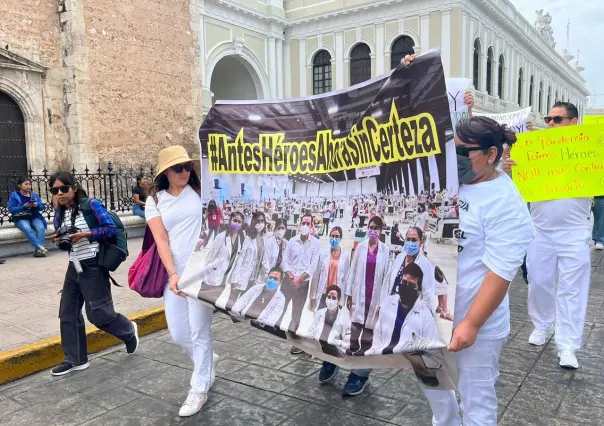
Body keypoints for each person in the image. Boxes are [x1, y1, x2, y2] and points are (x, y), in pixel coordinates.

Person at [422, 116, 533, 425]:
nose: (455, 159)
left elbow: (500, 273)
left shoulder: (505, 202)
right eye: (451, 150)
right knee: (435, 389)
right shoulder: (451, 182)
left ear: (492, 154)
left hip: (477, 324)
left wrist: (471, 324)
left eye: (464, 152)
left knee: (477, 401)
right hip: (432, 316)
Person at [504, 101, 592, 369]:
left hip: (575, 232)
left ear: (573, 122)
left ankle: (568, 345)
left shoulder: (589, 150)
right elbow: (514, 184)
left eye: (557, 119)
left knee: (572, 290)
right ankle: (541, 324)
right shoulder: (533, 150)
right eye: (549, 119)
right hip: (540, 231)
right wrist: (510, 168)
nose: (551, 123)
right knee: (539, 282)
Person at [145, 146, 217, 417]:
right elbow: (161, 239)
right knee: (178, 332)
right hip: (174, 274)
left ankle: (199, 388)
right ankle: (208, 362)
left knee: (200, 331)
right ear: (165, 172)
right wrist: (173, 273)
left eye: (187, 166)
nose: (184, 171)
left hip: (202, 273)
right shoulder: (155, 200)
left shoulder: (201, 193)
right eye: (178, 168)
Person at [49, 171, 139, 376]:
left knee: (98, 314)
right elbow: (64, 242)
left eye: (64, 188)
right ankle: (75, 359)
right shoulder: (59, 212)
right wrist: (59, 240)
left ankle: (128, 330)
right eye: (55, 190)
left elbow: (109, 229)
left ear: (74, 187)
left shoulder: (91, 205)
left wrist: (87, 234)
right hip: (74, 266)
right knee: (67, 312)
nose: (60, 193)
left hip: (93, 265)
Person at [341, 216, 391, 396]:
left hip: (375, 298)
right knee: (354, 332)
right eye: (371, 227)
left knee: (369, 336)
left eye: (377, 228)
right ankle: (352, 363)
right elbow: (352, 272)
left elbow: (386, 279)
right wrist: (348, 295)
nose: (373, 230)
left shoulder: (386, 251)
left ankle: (360, 374)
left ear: (381, 231)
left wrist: (383, 302)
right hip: (359, 295)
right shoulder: (360, 248)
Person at [368, 263, 440, 356]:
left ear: (419, 289)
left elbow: (432, 353)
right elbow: (377, 335)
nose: (406, 286)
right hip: (381, 361)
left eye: (411, 285)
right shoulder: (387, 303)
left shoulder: (426, 318)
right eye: (404, 282)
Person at [279, 213, 320, 337]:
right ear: (299, 224)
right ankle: (276, 327)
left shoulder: (315, 243)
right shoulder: (292, 241)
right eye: (304, 223)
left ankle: (292, 333)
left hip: (303, 283)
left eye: (308, 223)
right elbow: (284, 260)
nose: (305, 225)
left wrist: (300, 278)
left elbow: (313, 265)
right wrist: (292, 276)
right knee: (281, 305)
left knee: (297, 311)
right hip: (288, 280)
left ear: (312, 226)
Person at [199, 212, 246, 304]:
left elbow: (237, 260)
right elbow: (210, 255)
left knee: (214, 301)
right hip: (212, 275)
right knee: (203, 302)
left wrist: (234, 280)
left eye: (239, 222)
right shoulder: (221, 237)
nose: (237, 223)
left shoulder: (241, 239)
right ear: (230, 221)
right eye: (235, 220)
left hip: (224, 278)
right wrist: (208, 270)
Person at [226, 211, 266, 310]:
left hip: (253, 277)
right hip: (242, 275)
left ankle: (237, 322)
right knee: (232, 302)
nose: (260, 223)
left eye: (262, 221)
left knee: (243, 302)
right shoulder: (247, 236)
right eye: (258, 221)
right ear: (253, 221)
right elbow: (240, 257)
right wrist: (235, 279)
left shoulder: (264, 237)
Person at [309, 226, 350, 312]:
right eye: (332, 236)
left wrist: (342, 300)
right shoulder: (323, 252)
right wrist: (312, 296)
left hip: (336, 294)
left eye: (336, 236)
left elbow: (346, 279)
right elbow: (316, 276)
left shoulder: (345, 255)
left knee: (332, 321)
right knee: (319, 318)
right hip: (323, 292)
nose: (334, 238)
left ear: (340, 238)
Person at [308, 285, 351, 365]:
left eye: (334, 298)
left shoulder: (344, 317)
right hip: (319, 345)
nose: (330, 300)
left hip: (334, 348)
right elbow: (311, 331)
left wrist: (334, 342)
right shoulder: (320, 313)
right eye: (329, 297)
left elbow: (347, 340)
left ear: (338, 300)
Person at [8, 176, 48, 257]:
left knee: (40, 228)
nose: (28, 186)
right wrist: (24, 206)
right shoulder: (14, 195)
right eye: (26, 184)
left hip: (34, 216)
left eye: (30, 184)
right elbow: (11, 209)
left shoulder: (34, 195)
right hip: (21, 217)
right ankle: (40, 247)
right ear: (19, 185)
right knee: (27, 228)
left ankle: (38, 252)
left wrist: (36, 205)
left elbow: (42, 207)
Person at [259, 218, 288, 283]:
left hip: (278, 277)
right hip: (266, 276)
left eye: (283, 228)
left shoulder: (286, 243)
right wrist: (269, 275)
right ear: (275, 229)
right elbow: (265, 261)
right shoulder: (270, 241)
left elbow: (285, 262)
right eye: (279, 228)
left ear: (286, 229)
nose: (281, 230)